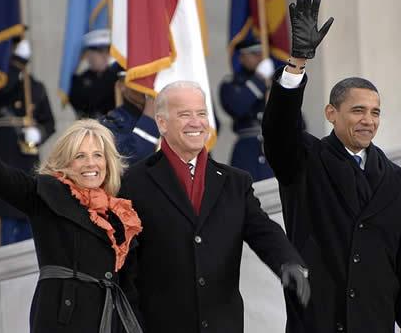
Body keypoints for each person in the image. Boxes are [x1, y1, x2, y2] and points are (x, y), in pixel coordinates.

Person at [262, 0, 401, 332]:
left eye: (375, 113)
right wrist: (297, 64)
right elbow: (278, 131)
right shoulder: (304, 161)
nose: (367, 121)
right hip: (318, 322)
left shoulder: (397, 181)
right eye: (358, 111)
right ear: (331, 114)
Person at [0, 91, 145, 332]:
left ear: (108, 163)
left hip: (113, 322)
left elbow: (132, 286)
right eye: (80, 156)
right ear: (66, 163)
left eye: (98, 155)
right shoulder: (46, 195)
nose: (91, 164)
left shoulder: (121, 214)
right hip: (63, 320)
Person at [118, 80, 310, 332]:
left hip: (223, 325)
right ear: (162, 123)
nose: (196, 122)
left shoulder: (235, 182)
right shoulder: (134, 182)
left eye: (201, 114)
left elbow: (263, 230)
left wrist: (288, 262)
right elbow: (126, 266)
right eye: (185, 114)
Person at [0, 38, 56, 246]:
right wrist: (15, 63)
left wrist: (39, 133)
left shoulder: (35, 86)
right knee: (6, 214)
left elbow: (49, 122)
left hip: (27, 158)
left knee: (30, 209)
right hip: (5, 150)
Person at [218, 39, 275, 181]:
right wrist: (259, 79)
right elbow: (238, 107)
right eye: (255, 54)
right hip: (248, 151)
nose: (260, 58)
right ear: (242, 57)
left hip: (275, 151)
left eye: (262, 54)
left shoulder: (274, 83)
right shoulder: (231, 83)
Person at [99, 72, 159, 167]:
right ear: (122, 85)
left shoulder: (170, 117)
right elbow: (130, 158)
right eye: (139, 79)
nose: (147, 85)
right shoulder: (110, 123)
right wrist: (151, 110)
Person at [69, 28, 118, 119]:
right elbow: (83, 103)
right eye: (100, 51)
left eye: (107, 51)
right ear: (88, 54)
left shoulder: (116, 77)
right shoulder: (79, 80)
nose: (105, 56)